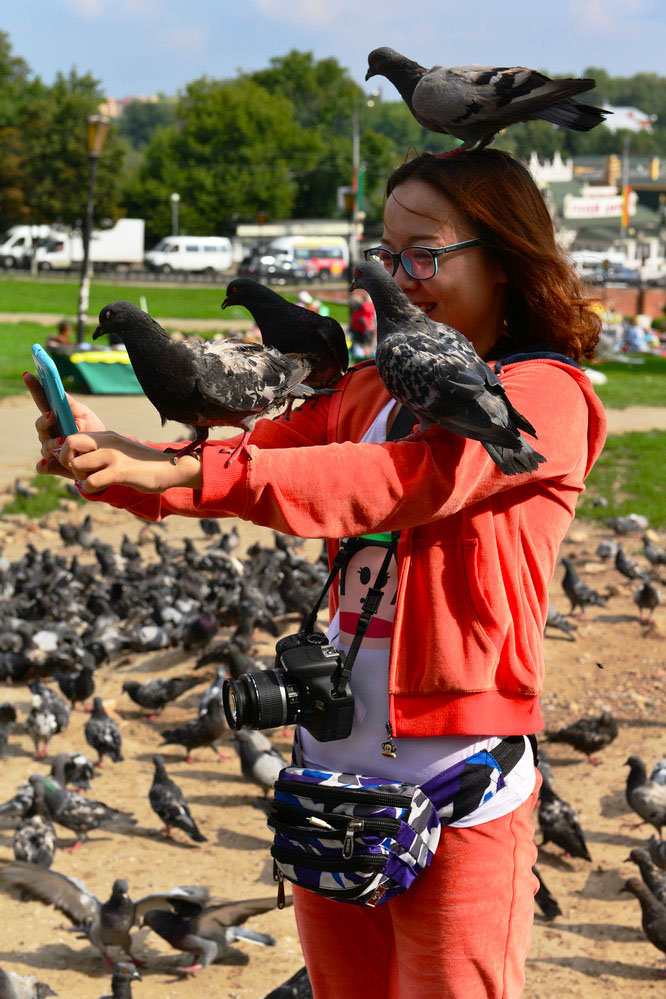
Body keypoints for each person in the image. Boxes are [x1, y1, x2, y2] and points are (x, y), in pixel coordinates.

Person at [25, 148, 607, 999]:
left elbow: (401, 484)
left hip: (459, 785)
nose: (398, 276)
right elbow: (252, 461)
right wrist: (117, 460)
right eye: (388, 251)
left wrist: (181, 472)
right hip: (329, 778)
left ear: (507, 257)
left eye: (425, 254)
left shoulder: (544, 397)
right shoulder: (371, 390)